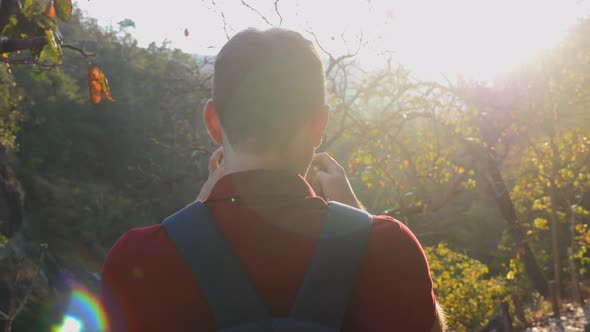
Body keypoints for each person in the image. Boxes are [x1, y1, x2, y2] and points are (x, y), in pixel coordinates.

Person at [101, 27, 445, 332]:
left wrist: (193, 216)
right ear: (319, 125)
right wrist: (358, 219)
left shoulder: (137, 259)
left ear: (213, 122)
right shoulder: (389, 250)